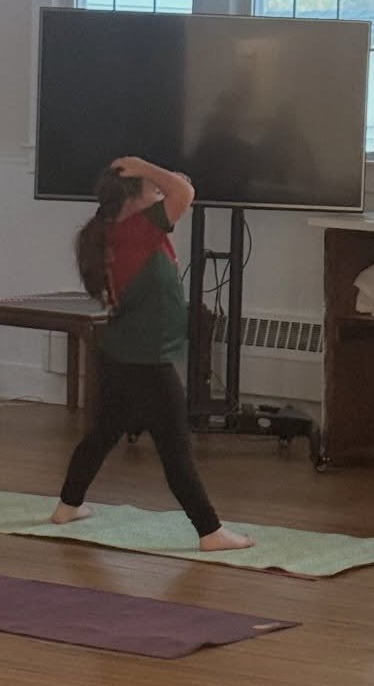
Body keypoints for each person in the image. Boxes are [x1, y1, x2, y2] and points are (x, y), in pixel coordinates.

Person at [50, 155, 252, 551]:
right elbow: (185, 191)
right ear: (132, 199)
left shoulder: (116, 229)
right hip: (145, 362)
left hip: (120, 355)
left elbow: (180, 183)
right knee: (176, 450)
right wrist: (141, 165)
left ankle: (68, 506)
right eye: (152, 190)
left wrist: (148, 176)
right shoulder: (139, 230)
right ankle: (210, 531)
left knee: (102, 434)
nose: (162, 194)